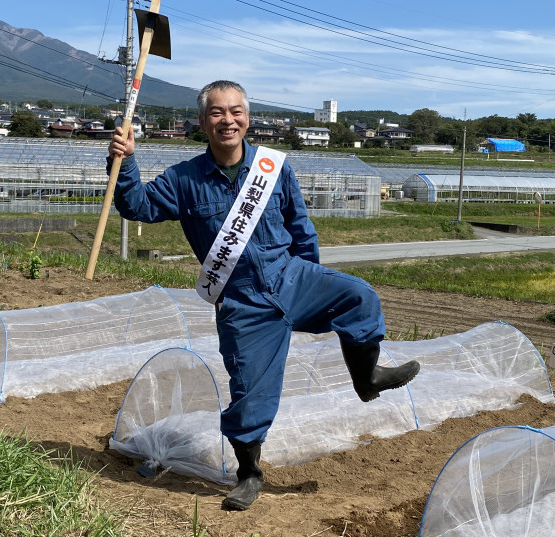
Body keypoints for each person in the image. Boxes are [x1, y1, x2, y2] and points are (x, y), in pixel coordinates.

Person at [107, 80, 420, 510]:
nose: (227, 120)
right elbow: (136, 206)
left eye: (235, 111)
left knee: (360, 297)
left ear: (247, 118)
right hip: (242, 300)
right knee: (249, 392)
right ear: (203, 122)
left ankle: (367, 378)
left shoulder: (272, 166)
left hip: (290, 276)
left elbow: (300, 225)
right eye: (217, 113)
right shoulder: (184, 179)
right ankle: (249, 473)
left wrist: (312, 273)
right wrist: (124, 161)